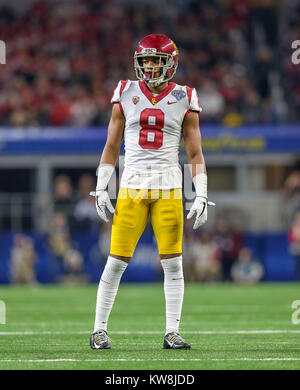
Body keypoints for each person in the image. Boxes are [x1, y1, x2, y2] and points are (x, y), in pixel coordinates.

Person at [89, 34, 214, 350]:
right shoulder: (126, 91)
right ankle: (98, 330)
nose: (150, 66)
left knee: (173, 263)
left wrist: (200, 193)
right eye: (145, 60)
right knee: (116, 261)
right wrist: (102, 186)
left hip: (169, 189)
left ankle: (172, 331)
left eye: (156, 60)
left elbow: (195, 154)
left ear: (170, 62)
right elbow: (111, 146)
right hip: (131, 188)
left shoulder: (185, 97)